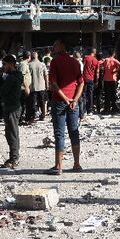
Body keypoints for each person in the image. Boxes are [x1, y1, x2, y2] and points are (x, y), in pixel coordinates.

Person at [47, 40, 85, 175]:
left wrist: (65, 99)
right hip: (73, 102)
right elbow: (81, 83)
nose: (53, 47)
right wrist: (75, 99)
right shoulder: (75, 62)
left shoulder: (55, 62)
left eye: (55, 45)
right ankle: (76, 164)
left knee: (59, 133)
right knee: (74, 131)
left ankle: (59, 166)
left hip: (59, 101)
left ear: (61, 47)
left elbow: (54, 84)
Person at [0, 55, 23, 169]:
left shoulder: (12, 78)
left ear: (11, 64)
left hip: (12, 108)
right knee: (10, 133)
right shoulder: (14, 76)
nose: (3, 67)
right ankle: (13, 156)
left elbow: (2, 91)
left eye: (5, 64)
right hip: (11, 107)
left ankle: (14, 158)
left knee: (12, 134)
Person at [28, 51, 48, 122]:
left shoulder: (29, 65)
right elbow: (46, 75)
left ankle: (33, 116)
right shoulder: (42, 64)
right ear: (37, 56)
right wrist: (47, 85)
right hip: (41, 86)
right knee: (42, 101)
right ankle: (43, 115)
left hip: (33, 86)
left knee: (33, 102)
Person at [99, 50, 120, 114]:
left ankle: (106, 109)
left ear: (109, 54)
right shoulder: (114, 60)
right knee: (113, 95)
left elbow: (98, 62)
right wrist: (115, 71)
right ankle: (114, 108)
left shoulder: (105, 59)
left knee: (107, 95)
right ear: (113, 54)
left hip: (106, 79)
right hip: (113, 79)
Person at [81, 48, 100, 118]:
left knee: (83, 94)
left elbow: (82, 67)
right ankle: (90, 110)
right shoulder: (96, 61)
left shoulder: (86, 58)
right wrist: (97, 81)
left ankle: (83, 110)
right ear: (95, 53)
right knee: (90, 94)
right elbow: (97, 72)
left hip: (84, 78)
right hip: (91, 79)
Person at [17, 52, 32, 123]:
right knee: (22, 104)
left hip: (24, 87)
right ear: (29, 57)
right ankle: (19, 119)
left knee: (24, 104)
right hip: (23, 88)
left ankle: (21, 118)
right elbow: (21, 76)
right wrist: (26, 87)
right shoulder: (23, 64)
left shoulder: (25, 64)